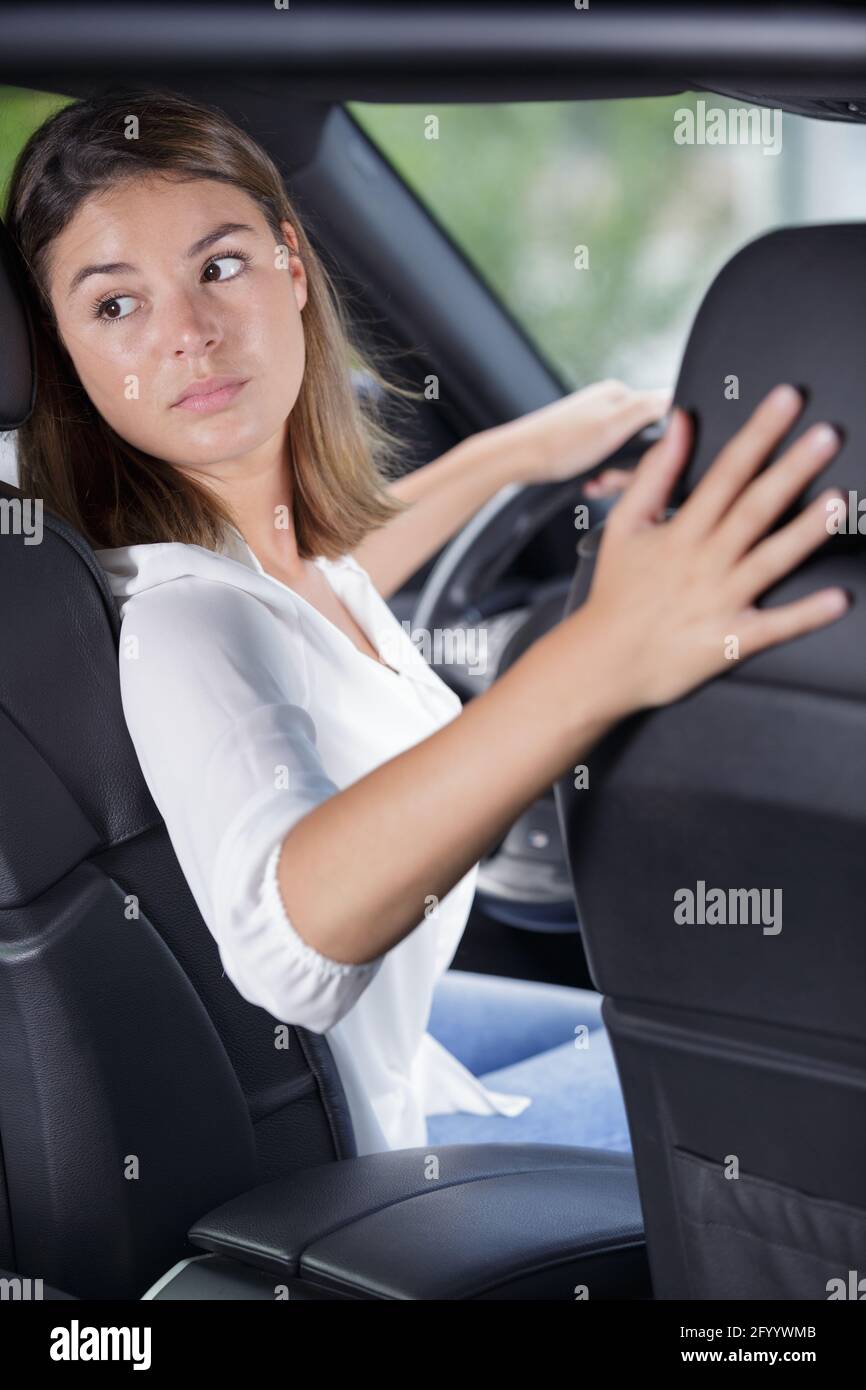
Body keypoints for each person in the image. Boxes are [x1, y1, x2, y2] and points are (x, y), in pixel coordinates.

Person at [5, 88, 848, 1157]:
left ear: (292, 268)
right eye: (115, 305)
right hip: (379, 1178)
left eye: (219, 267)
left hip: (409, 1058)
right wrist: (598, 659)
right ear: (62, 352)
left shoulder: (248, 563)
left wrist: (513, 452)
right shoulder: (188, 627)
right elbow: (284, 945)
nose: (189, 334)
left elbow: (327, 587)